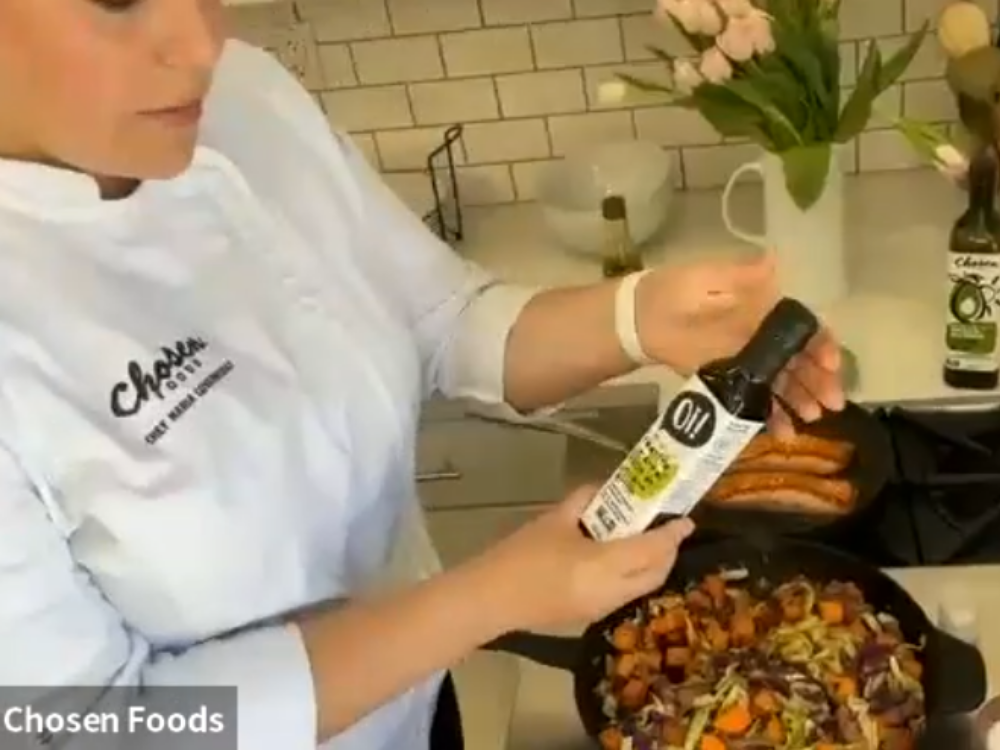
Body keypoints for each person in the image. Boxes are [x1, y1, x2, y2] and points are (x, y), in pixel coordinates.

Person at [0, 1, 845, 749]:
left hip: (421, 711)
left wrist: (641, 315)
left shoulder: (245, 100)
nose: (201, 43)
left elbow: (440, 321)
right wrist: (487, 598)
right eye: (117, 0)